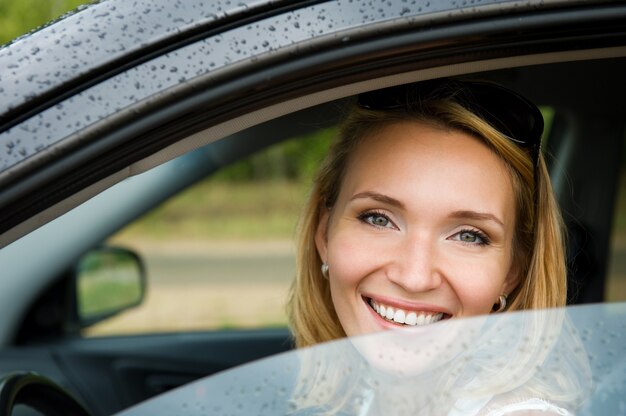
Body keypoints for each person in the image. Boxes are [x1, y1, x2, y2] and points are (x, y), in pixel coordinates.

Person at [286, 78, 581, 415]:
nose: (414, 277)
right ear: (324, 235)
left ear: (512, 271)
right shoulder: (364, 396)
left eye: (468, 235)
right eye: (379, 219)